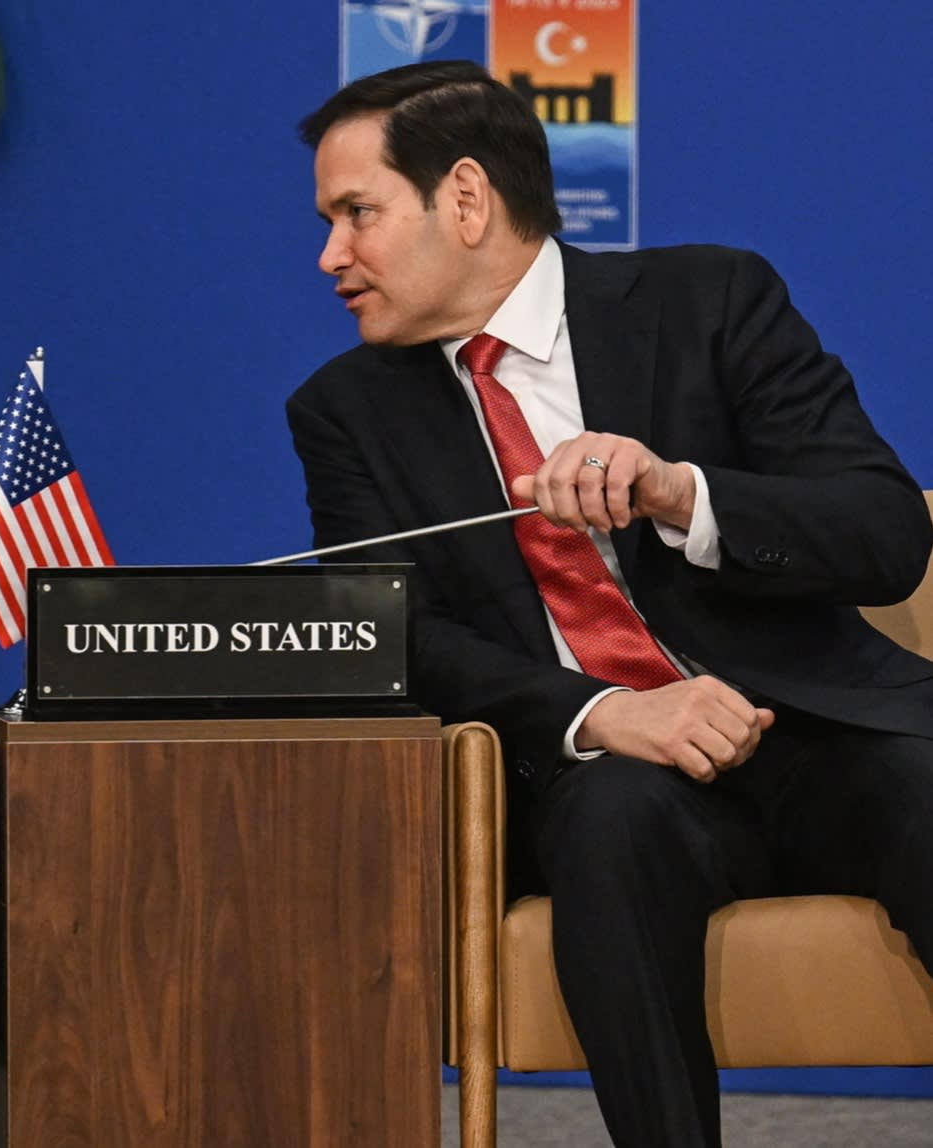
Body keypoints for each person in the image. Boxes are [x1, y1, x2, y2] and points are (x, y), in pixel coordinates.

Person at [288, 60, 933, 1148]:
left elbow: (882, 530)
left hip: (818, 734)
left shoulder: (710, 300)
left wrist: (681, 491)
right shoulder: (343, 409)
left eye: (356, 214)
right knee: (610, 821)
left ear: (463, 197)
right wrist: (600, 715)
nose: (330, 257)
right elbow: (388, 635)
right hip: (607, 778)